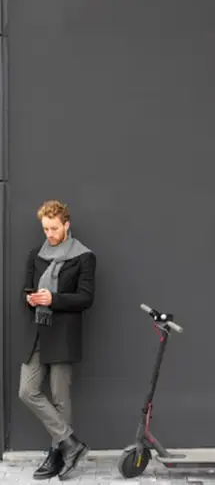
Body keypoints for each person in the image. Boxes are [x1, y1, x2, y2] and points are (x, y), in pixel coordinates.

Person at [18, 200, 96, 481]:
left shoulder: (83, 256)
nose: (49, 234)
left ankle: (57, 453)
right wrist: (31, 299)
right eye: (45, 229)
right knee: (27, 391)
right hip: (39, 332)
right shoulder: (35, 254)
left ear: (66, 225)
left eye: (53, 228)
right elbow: (26, 290)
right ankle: (71, 444)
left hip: (63, 334)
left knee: (60, 398)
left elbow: (86, 297)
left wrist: (53, 299)